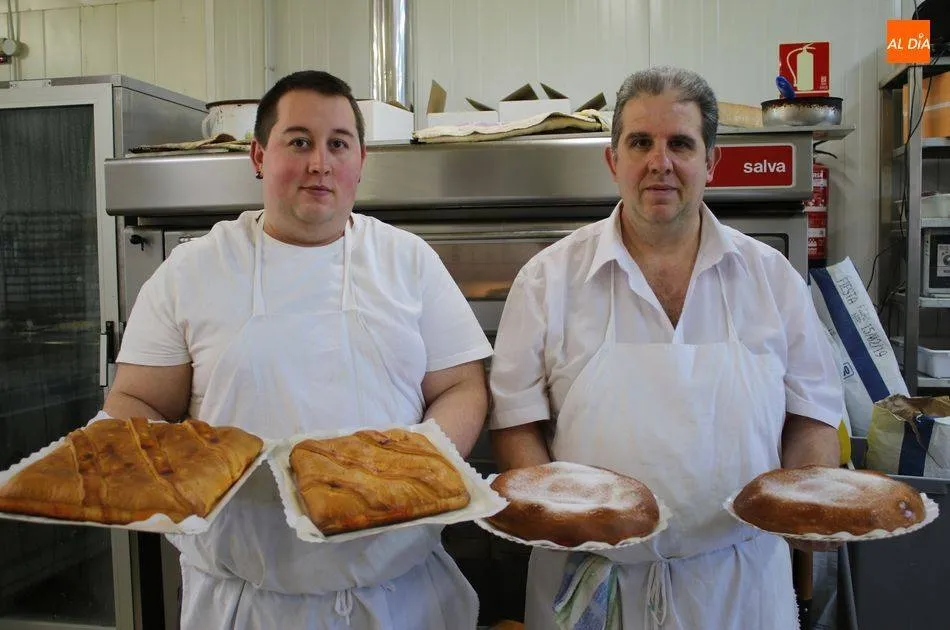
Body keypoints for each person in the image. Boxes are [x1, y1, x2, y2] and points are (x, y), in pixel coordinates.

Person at [104, 70, 492, 630]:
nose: (320, 162)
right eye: (299, 141)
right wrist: (161, 470)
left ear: (361, 161)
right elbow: (137, 400)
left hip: (397, 597)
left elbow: (461, 385)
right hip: (246, 603)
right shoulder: (193, 270)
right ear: (259, 155)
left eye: (338, 143)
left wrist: (410, 472)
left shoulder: (408, 262)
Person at [488, 66, 843, 630]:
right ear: (613, 161)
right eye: (640, 143)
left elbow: (814, 415)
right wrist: (559, 519)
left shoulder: (771, 279)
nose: (661, 163)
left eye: (680, 143)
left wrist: (811, 509)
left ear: (711, 161)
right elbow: (515, 425)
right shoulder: (548, 281)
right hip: (591, 583)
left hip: (739, 587)